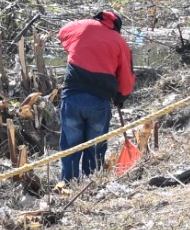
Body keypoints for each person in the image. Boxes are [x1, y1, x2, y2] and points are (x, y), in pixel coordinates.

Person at [54, 10, 134, 182]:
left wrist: (77, 47)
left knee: (70, 148)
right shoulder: (120, 42)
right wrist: (121, 97)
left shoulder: (83, 26)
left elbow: (62, 34)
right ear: (117, 25)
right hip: (99, 102)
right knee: (96, 148)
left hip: (72, 97)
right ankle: (90, 186)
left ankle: (68, 185)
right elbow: (126, 78)